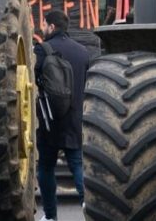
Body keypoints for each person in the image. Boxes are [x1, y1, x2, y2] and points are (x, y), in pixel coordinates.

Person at [35, 11, 90, 221]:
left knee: (46, 167)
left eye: (44, 24)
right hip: (75, 118)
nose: (42, 28)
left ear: (51, 26)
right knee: (77, 164)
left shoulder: (42, 50)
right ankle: (88, 207)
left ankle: (50, 216)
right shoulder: (83, 52)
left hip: (49, 118)